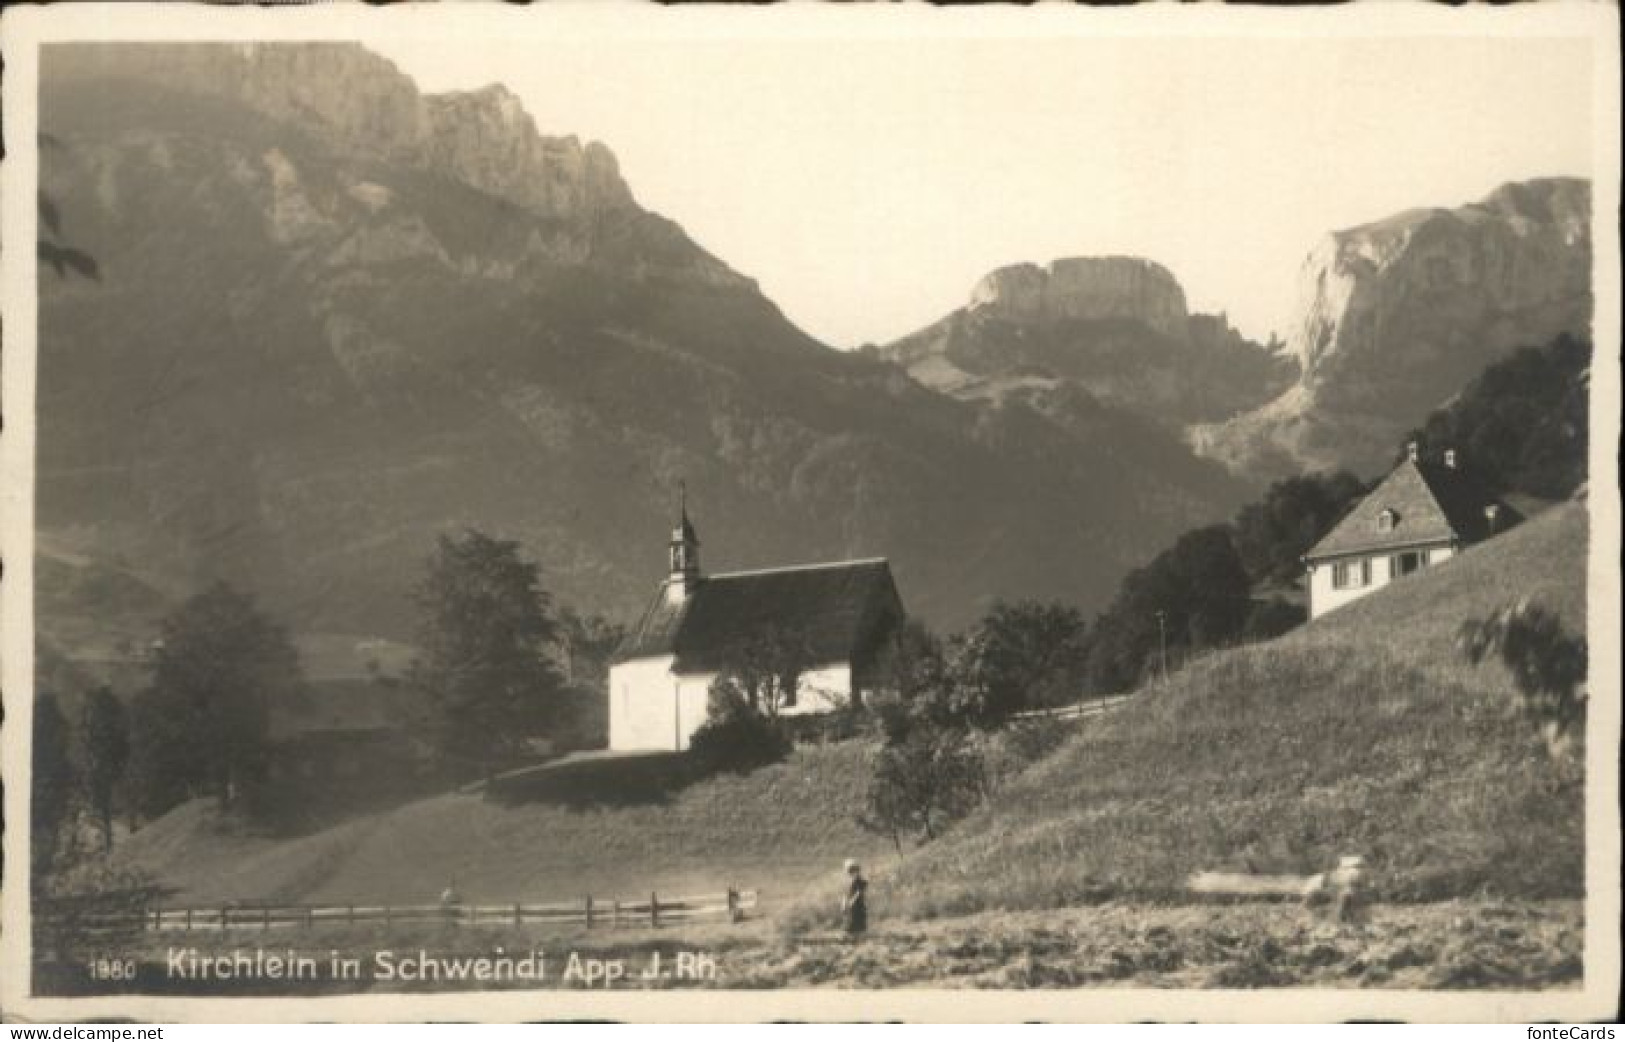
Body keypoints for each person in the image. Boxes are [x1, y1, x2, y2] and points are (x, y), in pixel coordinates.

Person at [841, 858, 867, 939]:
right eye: (849, 871)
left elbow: (859, 892)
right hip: (849, 903)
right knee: (848, 918)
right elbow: (845, 893)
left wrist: (853, 901)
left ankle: (857, 935)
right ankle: (848, 935)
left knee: (857, 918)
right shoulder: (848, 881)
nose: (851, 873)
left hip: (857, 904)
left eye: (852, 870)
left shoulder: (861, 881)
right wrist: (844, 902)